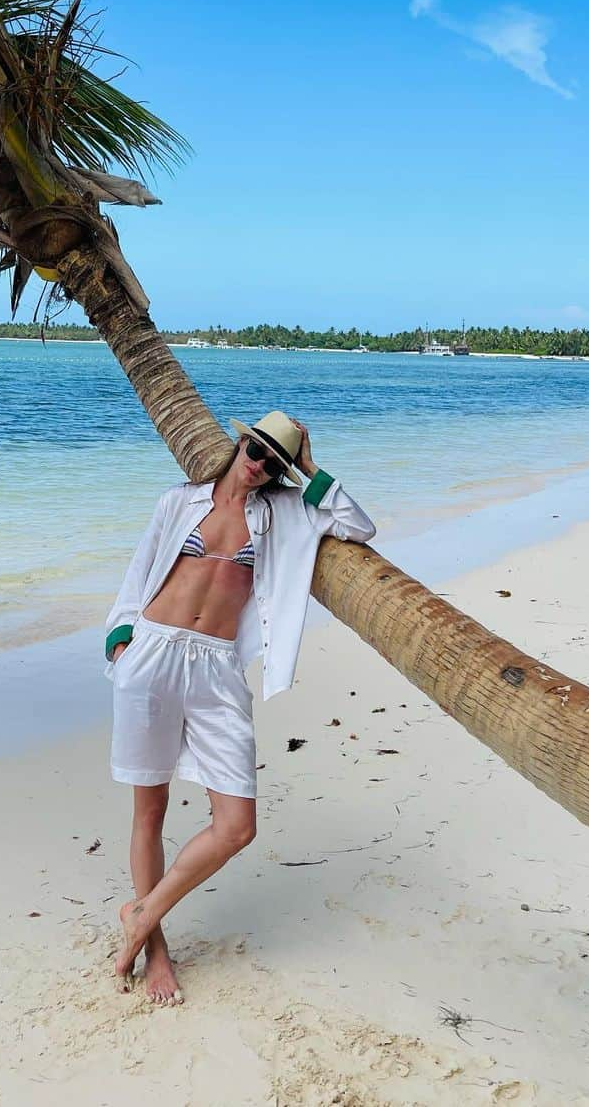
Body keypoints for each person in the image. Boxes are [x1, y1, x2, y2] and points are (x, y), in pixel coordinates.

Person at [102, 411, 376, 1004]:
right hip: (151, 653)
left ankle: (141, 913)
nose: (259, 465)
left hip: (218, 668)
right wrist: (119, 638)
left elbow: (358, 525)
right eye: (256, 450)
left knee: (238, 825)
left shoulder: (284, 513)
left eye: (273, 461)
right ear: (239, 442)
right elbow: (140, 570)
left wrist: (307, 470)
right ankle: (156, 952)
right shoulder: (179, 501)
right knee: (149, 810)